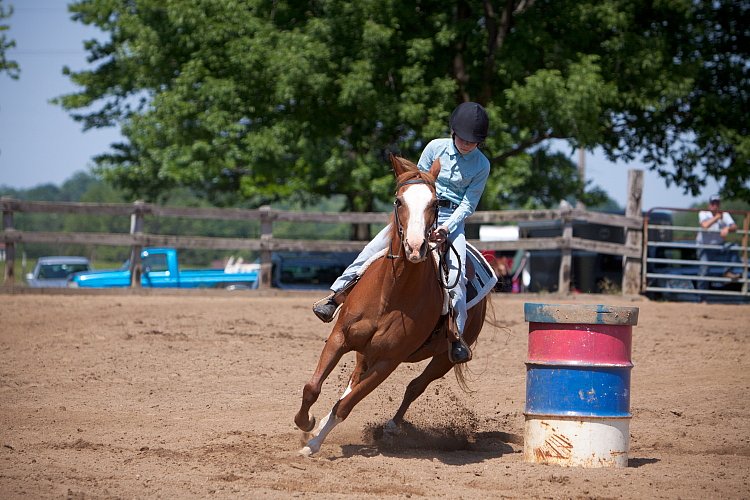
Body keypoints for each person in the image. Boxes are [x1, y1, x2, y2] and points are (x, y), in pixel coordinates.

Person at [312, 102, 491, 364]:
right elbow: (415, 180)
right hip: (419, 211)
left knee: (458, 272)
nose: (466, 144)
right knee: (371, 249)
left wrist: (446, 227)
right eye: (463, 138)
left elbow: (468, 204)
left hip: (451, 221)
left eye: (473, 141)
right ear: (453, 132)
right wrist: (419, 217)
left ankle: (456, 335)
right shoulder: (434, 148)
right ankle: (335, 296)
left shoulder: (482, 165)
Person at [696, 194, 741, 289]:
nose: (715, 205)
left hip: (719, 246)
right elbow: (705, 225)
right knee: (704, 270)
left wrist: (728, 228)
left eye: (717, 203)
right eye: (713, 203)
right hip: (705, 247)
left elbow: (735, 227)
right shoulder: (703, 213)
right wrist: (717, 217)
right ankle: (701, 297)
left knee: (734, 246)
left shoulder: (724, 215)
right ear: (709, 204)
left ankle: (728, 271)